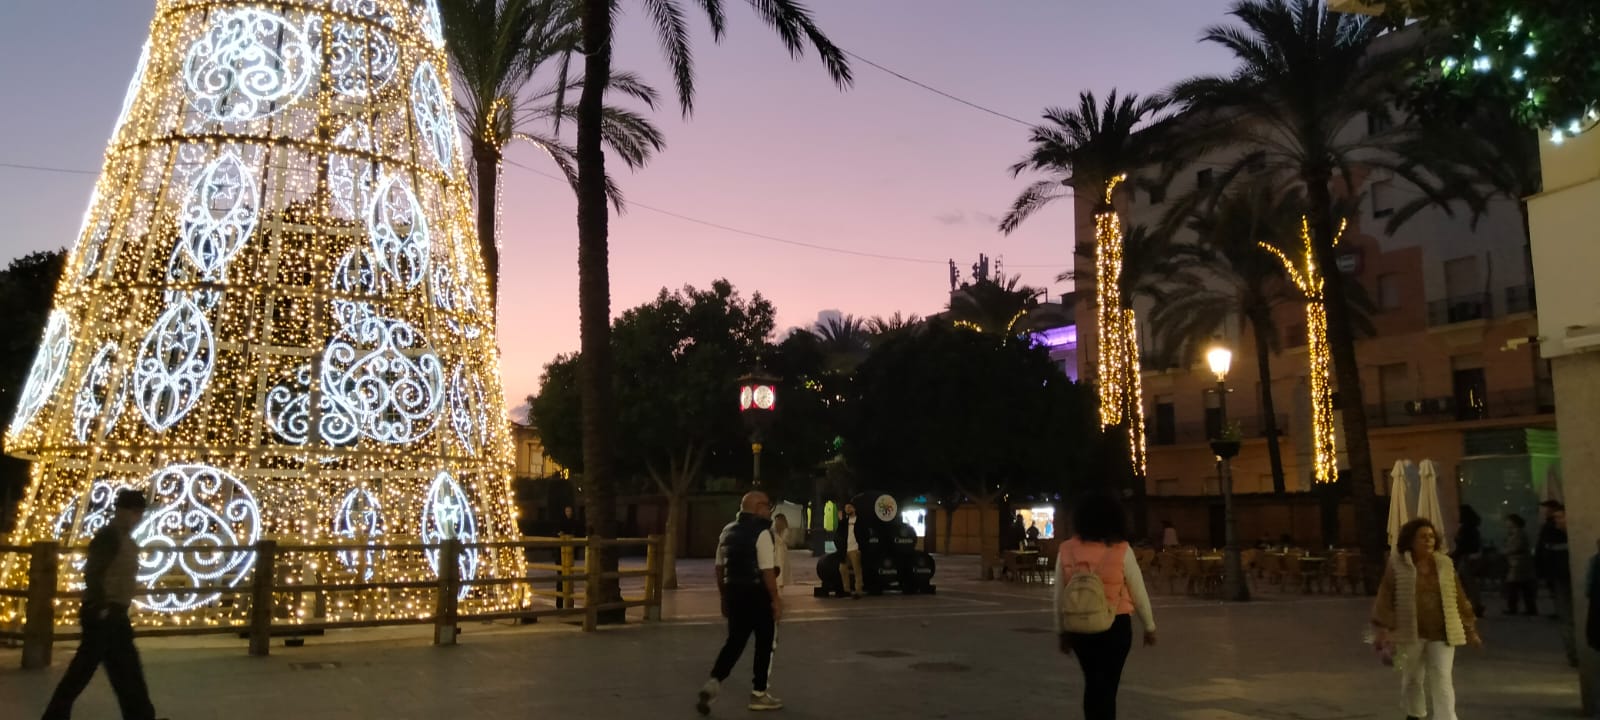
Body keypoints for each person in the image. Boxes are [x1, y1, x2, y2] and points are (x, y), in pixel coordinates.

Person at [42, 489, 163, 720]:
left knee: (125, 670)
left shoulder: (125, 538)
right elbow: (94, 572)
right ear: (123, 511)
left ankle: (140, 715)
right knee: (88, 670)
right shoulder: (110, 536)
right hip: (103, 612)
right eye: (135, 512)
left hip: (114, 612)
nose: (138, 517)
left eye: (140, 513)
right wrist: (101, 606)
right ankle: (56, 714)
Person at [1054, 494, 1156, 720]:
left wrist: (1061, 631)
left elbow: (1059, 595)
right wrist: (1149, 626)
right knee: (1109, 686)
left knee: (1092, 682)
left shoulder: (1066, 549)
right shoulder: (1121, 549)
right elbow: (1138, 590)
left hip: (1079, 626)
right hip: (1116, 625)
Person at [1372, 518, 1482, 720]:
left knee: (1442, 679)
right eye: (1422, 537)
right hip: (1410, 633)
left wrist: (1470, 628)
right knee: (1412, 678)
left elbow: (1459, 596)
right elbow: (1385, 596)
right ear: (1411, 541)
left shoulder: (1445, 564)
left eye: (1431, 537)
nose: (1428, 541)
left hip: (1442, 632)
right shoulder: (1398, 564)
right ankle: (1415, 714)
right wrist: (1383, 628)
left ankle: (1446, 717)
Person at [698, 492, 783, 714]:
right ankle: (759, 693)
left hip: (735, 594)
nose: (769, 510)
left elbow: (719, 568)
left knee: (734, 642)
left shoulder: (727, 531)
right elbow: (767, 571)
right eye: (767, 505)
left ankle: (713, 682)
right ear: (757, 508)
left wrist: (724, 596)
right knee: (765, 644)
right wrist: (775, 599)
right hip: (758, 595)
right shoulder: (762, 533)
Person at [1536, 501, 1576, 666]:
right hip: (1560, 579)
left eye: (1560, 517)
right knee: (1567, 617)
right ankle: (1574, 654)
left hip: (1565, 578)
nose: (1556, 520)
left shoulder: (1553, 534)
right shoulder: (1550, 533)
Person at [1451, 505, 1485, 618]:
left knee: (1466, 583)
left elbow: (1463, 545)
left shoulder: (1466, 529)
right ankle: (1474, 606)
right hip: (1471, 557)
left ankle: (1474, 606)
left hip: (1466, 558)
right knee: (1469, 583)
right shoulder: (1473, 528)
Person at [1502, 514, 1536, 615]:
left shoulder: (1519, 533)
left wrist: (1506, 551)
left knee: (1515, 586)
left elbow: (1517, 547)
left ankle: (1514, 608)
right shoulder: (1514, 533)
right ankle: (1528, 608)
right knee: (1522, 587)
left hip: (1519, 563)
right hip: (1518, 563)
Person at [837, 503, 865, 599]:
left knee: (857, 570)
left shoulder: (860, 521)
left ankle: (858, 591)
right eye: (846, 508)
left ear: (854, 508)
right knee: (842, 568)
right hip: (845, 549)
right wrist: (840, 520)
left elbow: (864, 535)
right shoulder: (845, 522)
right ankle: (846, 590)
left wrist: (860, 548)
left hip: (855, 549)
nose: (847, 509)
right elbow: (839, 534)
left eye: (849, 507)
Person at [772, 513, 791, 590]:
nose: (776, 522)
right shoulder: (774, 530)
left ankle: (781, 584)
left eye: (778, 520)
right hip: (775, 551)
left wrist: (776, 534)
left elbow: (782, 541)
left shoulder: (785, 530)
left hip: (782, 551)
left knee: (781, 567)